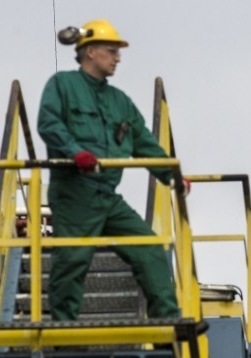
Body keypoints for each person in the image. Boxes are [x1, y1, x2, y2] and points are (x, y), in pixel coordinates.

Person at [37, 19, 180, 320]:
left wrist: (173, 175)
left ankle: (168, 323)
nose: (118, 58)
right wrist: (76, 153)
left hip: (107, 196)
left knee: (149, 248)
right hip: (74, 194)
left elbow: (143, 141)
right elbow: (48, 124)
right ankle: (63, 335)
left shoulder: (119, 102)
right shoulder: (62, 85)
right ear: (89, 51)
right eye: (111, 50)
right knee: (72, 261)